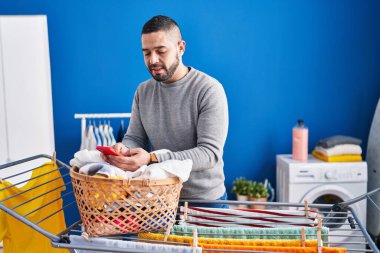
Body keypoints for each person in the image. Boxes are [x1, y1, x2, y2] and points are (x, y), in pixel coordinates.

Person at [104, 15, 229, 208]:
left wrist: (153, 158)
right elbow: (135, 138)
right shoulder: (143, 91)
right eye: (146, 53)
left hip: (205, 202)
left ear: (181, 48)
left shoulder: (209, 89)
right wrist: (124, 150)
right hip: (159, 199)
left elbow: (209, 153)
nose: (153, 60)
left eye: (161, 51)